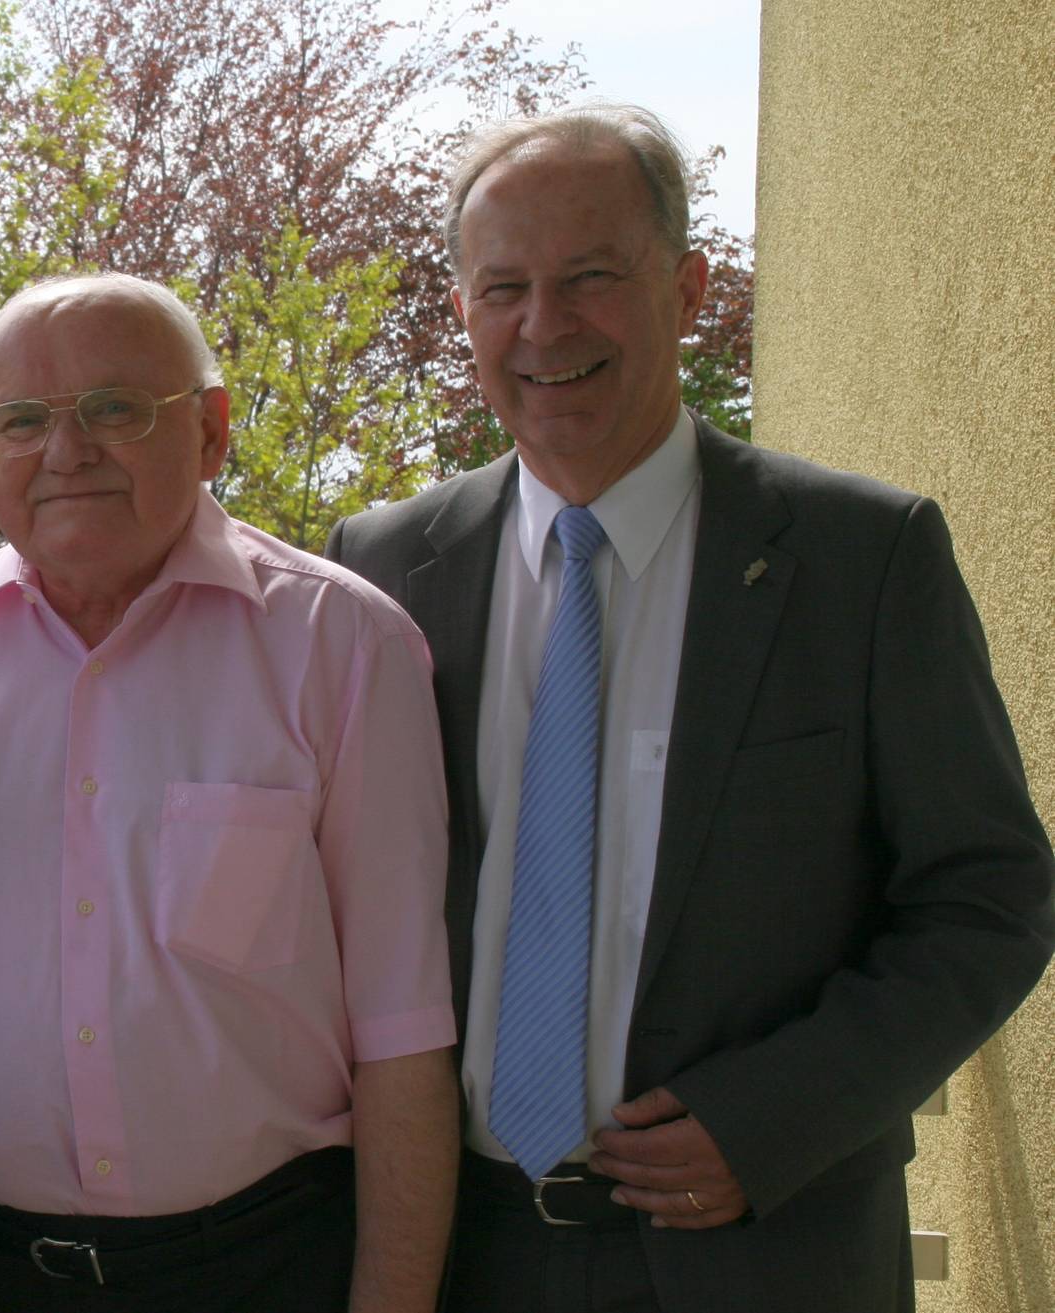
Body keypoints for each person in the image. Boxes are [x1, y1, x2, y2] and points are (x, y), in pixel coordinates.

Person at [325, 102, 1055, 1312]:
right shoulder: (385, 567)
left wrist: (772, 1118)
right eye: (502, 287)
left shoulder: (861, 558)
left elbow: (988, 895)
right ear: (462, 312)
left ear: (690, 287)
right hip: (462, 1251)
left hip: (767, 1246)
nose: (544, 325)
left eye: (592, 276)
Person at [0, 273, 459, 1311]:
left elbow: (402, 1031)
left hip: (264, 1265)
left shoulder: (342, 645)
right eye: (21, 420)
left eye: (115, 410)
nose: (65, 452)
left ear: (211, 433)